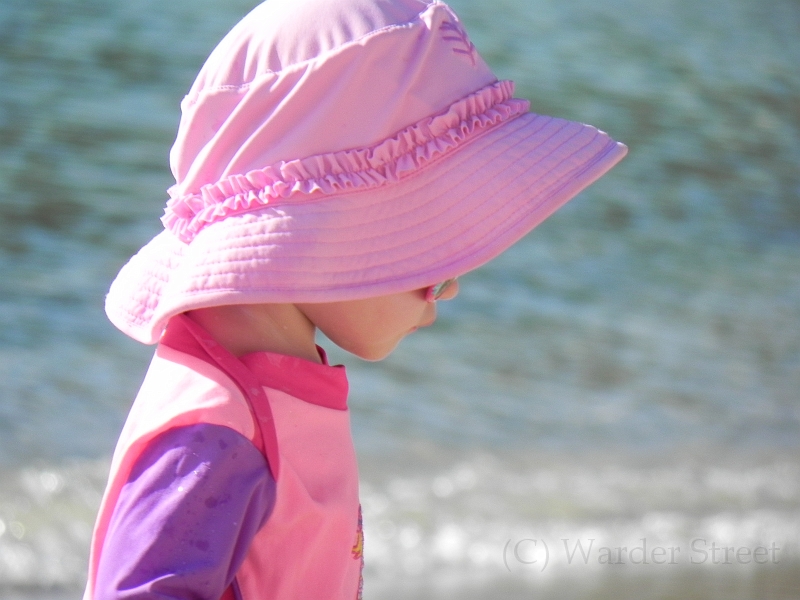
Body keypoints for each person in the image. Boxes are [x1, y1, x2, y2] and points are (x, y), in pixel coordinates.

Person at [85, 0, 627, 598]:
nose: (450, 287)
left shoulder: (264, 394)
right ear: (319, 234)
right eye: (436, 248)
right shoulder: (216, 434)